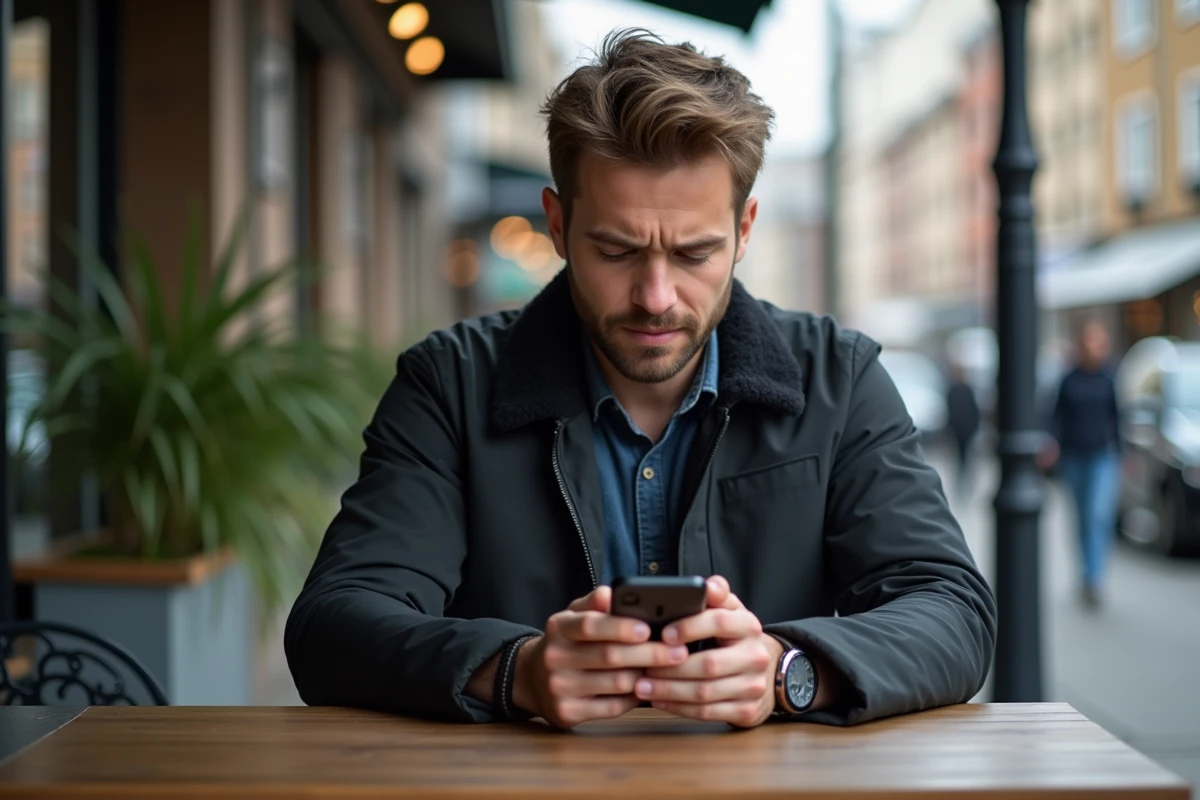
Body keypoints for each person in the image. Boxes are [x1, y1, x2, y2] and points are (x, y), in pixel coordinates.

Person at [284, 30, 996, 730]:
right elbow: (332, 624)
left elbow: (953, 611)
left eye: (695, 253)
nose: (655, 295)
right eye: (617, 249)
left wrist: (787, 670)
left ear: (745, 230)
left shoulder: (841, 380)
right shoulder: (449, 384)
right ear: (558, 225)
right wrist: (515, 672)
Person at [1038, 320, 1122, 609]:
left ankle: (1094, 578)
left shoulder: (1108, 378)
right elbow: (1055, 417)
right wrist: (1052, 443)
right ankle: (1085, 573)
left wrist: (1125, 454)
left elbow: (1117, 417)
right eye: (1091, 341)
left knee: (1098, 515)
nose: (1095, 347)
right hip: (1074, 458)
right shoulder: (1069, 379)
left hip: (1102, 456)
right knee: (1081, 518)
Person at [945, 366, 981, 501]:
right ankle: (962, 486)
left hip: (966, 430)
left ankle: (966, 486)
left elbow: (974, 411)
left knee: (966, 460)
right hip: (959, 430)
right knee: (960, 460)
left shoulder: (965, 390)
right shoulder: (953, 390)